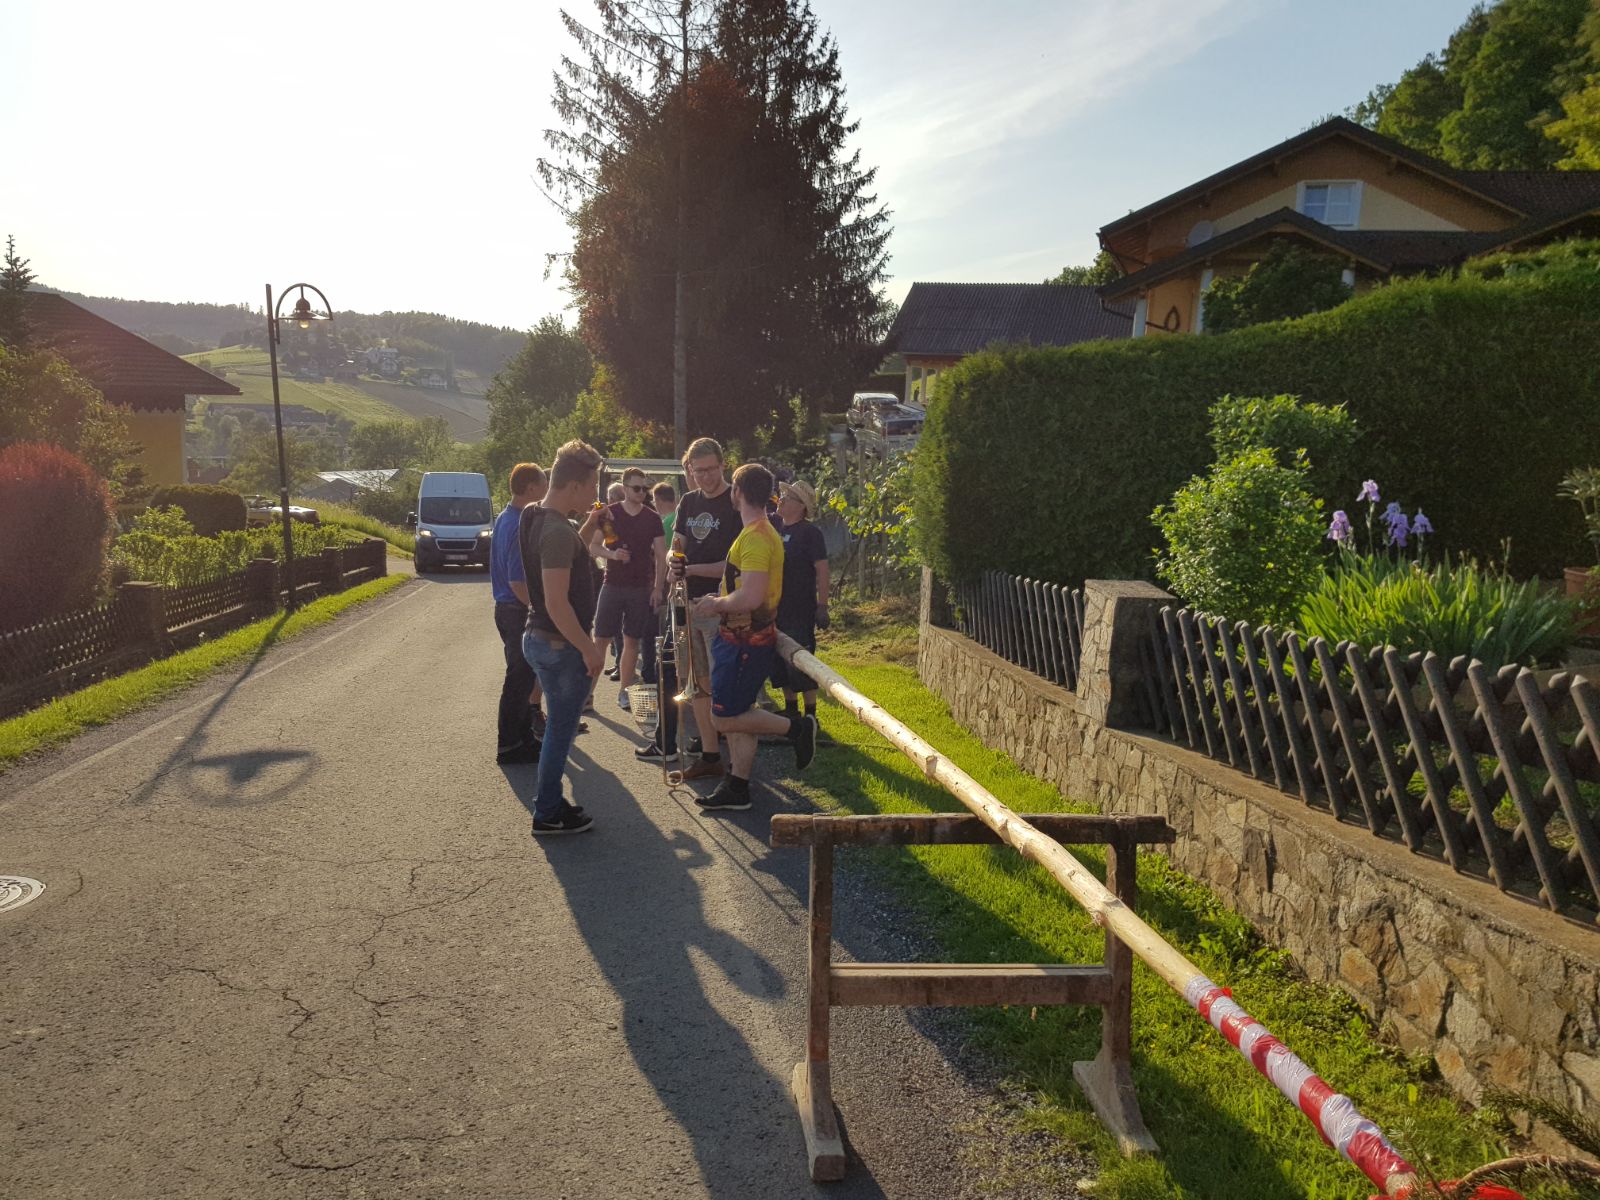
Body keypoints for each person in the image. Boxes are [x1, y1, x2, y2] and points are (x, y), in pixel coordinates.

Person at [691, 462, 817, 811]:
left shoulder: (757, 537)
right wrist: (720, 597)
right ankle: (738, 786)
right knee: (738, 713)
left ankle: (796, 728)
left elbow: (751, 596)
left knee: (722, 717)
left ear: (738, 492)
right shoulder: (756, 532)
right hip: (739, 639)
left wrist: (715, 604)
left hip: (744, 644)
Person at [520, 439, 607, 835]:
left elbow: (571, 551)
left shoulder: (536, 515)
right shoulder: (555, 531)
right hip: (559, 643)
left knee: (559, 727)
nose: (594, 495)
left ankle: (551, 804)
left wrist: (589, 525)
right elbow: (557, 603)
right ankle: (548, 811)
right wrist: (589, 649)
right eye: (592, 487)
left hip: (541, 639)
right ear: (574, 486)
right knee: (560, 731)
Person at [658, 438, 740, 779]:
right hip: (688, 604)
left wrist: (690, 570)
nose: (704, 477)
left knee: (726, 687)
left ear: (723, 465)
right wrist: (673, 560)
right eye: (698, 471)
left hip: (721, 606)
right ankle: (710, 755)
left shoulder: (735, 502)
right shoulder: (689, 501)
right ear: (689, 470)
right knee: (698, 686)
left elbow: (735, 565)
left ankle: (737, 765)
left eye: (710, 470)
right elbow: (676, 545)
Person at [589, 467, 666, 712]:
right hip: (612, 584)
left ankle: (624, 691)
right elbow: (593, 546)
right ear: (624, 489)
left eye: (645, 489)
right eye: (636, 488)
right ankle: (587, 694)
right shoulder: (610, 514)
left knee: (632, 641)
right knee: (601, 639)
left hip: (640, 588)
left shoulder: (652, 518)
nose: (642, 493)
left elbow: (661, 556)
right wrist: (613, 554)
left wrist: (657, 588)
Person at [491, 462, 547, 765]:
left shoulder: (506, 516)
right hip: (516, 609)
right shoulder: (516, 525)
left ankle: (524, 738)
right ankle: (509, 744)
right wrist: (539, 610)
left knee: (524, 678)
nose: (547, 488)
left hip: (507, 609)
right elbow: (516, 581)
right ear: (531, 488)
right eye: (543, 483)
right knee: (518, 680)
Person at [770, 478, 830, 721]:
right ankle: (791, 709)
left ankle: (811, 715)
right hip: (775, 607)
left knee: (801, 660)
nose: (781, 500)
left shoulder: (810, 533)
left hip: (800, 608)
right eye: (782, 495)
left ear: (801, 506)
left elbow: (822, 569)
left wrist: (823, 605)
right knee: (779, 660)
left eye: (787, 497)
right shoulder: (774, 526)